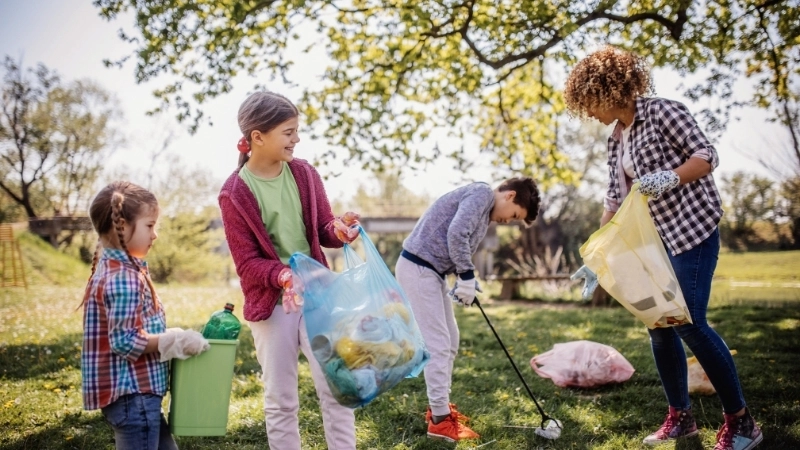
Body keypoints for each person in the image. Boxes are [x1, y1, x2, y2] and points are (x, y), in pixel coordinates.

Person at [564, 46, 762, 450]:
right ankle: (681, 418)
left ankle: (742, 423)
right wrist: (595, 260)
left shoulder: (662, 111)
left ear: (605, 91)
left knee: (689, 322)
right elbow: (613, 202)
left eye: (588, 104)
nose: (587, 113)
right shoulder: (615, 138)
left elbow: (706, 156)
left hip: (692, 231)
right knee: (658, 327)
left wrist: (670, 177)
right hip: (653, 244)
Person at [218, 91, 361, 450]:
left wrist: (339, 230)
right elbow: (247, 264)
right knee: (281, 399)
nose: (296, 139)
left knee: (337, 388)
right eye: (289, 131)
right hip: (273, 302)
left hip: (318, 293)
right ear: (257, 137)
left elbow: (323, 227)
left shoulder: (304, 173)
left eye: (296, 131)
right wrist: (281, 276)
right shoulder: (234, 192)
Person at [395, 177, 541, 442]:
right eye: (515, 215)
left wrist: (462, 283)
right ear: (509, 196)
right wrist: (466, 274)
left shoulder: (484, 211)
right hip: (418, 268)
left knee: (451, 340)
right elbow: (456, 233)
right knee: (438, 345)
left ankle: (441, 407)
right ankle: (439, 422)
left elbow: (453, 242)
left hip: (432, 272)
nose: (509, 221)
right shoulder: (482, 194)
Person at [81, 181, 210, 450]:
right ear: (123, 226)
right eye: (150, 226)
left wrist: (169, 335)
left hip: (137, 399)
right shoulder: (124, 278)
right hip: (134, 397)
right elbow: (124, 340)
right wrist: (172, 342)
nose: (155, 235)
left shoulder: (117, 269)